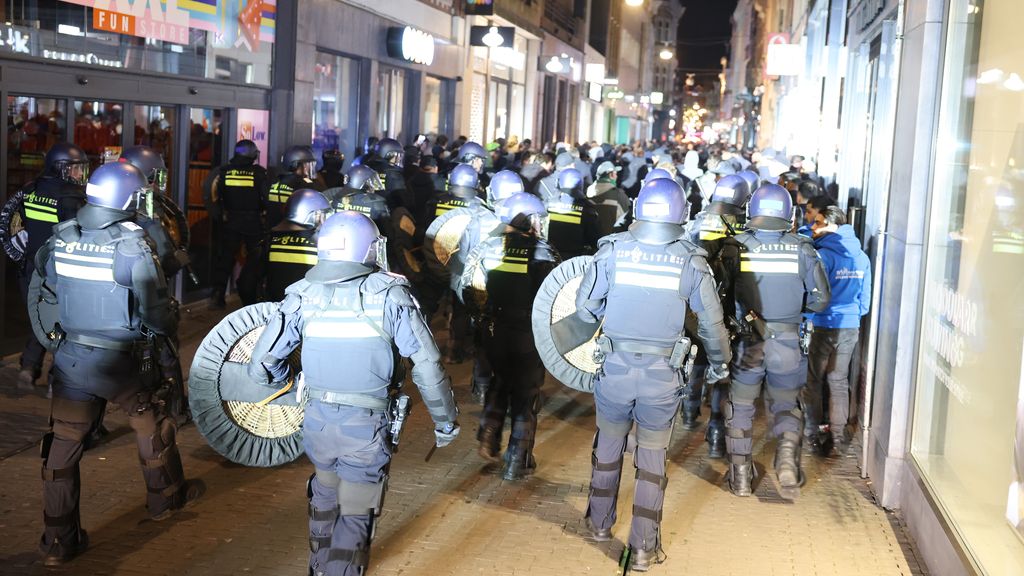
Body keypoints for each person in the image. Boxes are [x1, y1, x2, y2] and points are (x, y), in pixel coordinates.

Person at [249, 211, 460, 576]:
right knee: (355, 516)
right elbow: (427, 365)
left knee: (325, 497)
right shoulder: (391, 296)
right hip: (365, 430)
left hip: (316, 424)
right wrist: (445, 422)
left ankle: (318, 568)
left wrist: (289, 382)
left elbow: (261, 365)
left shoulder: (302, 295)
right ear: (367, 249)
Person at [33, 162, 204, 566]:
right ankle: (165, 499)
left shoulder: (63, 237)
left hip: (72, 358)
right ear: (126, 198)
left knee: (63, 447)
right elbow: (156, 311)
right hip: (123, 361)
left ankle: (59, 543)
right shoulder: (131, 244)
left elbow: (45, 290)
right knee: (151, 424)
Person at [575, 176, 731, 571]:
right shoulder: (692, 260)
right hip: (663, 377)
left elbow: (585, 307)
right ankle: (643, 548)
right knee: (652, 460)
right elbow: (712, 325)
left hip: (615, 370)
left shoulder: (613, 251)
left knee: (608, 449)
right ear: (682, 212)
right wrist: (719, 363)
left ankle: (598, 524)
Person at [720, 183, 831, 498]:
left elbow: (722, 298)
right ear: (789, 214)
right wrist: (795, 309)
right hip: (787, 342)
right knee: (786, 405)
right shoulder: (803, 249)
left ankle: (740, 476)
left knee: (740, 408)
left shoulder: (735, 246)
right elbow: (821, 300)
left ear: (752, 210)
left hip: (747, 344)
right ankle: (786, 464)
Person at [462, 192, 560, 480]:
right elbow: (558, 296)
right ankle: (517, 460)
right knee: (525, 394)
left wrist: (482, 321)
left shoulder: (488, 247)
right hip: (528, 334)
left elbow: (469, 287)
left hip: (494, 330)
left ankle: (489, 434)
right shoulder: (543, 251)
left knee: (499, 380)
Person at [680, 174, 751, 458]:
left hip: (693, 313)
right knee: (722, 372)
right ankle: (716, 435)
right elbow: (740, 283)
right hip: (723, 314)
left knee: (695, 362)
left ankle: (688, 410)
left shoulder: (695, 225)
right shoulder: (736, 234)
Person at [119, 145, 191, 422]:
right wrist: (177, 259)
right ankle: (177, 412)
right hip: (149, 299)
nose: (157, 183)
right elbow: (161, 263)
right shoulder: (148, 217)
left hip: (117, 304)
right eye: (154, 176)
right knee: (167, 354)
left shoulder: (111, 210)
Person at [16, 142, 89, 388]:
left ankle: (28, 367)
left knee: (38, 320)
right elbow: (77, 236)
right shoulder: (72, 197)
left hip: (30, 267)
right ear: (61, 168)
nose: (79, 174)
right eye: (75, 169)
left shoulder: (30, 190)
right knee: (62, 324)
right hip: (59, 271)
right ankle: (56, 378)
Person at [802, 205, 871, 456]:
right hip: (850, 325)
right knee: (839, 380)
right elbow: (865, 300)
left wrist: (808, 318)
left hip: (823, 325)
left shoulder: (824, 256)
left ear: (833, 225)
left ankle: (813, 432)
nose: (813, 227)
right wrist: (851, 314)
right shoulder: (861, 256)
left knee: (814, 380)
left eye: (818, 223)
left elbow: (815, 293)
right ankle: (839, 436)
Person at [205, 139, 269, 308]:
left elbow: (213, 197)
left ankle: (217, 295)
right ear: (252, 155)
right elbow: (266, 199)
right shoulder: (260, 173)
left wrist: (221, 216)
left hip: (231, 222)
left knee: (225, 259)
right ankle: (251, 295)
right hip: (253, 223)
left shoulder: (224, 172)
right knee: (255, 259)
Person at [260, 189, 330, 302]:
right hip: (310, 311)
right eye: (323, 215)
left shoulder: (269, 241)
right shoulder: (323, 246)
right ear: (312, 215)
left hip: (276, 312)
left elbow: (246, 283)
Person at [544, 168, 600, 259]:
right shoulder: (587, 209)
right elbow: (594, 240)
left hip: (550, 257)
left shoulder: (548, 204)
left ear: (558, 183)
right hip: (574, 260)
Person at [324, 165, 391, 232]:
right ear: (360, 180)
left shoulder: (331, 196)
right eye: (370, 182)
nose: (372, 187)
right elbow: (386, 231)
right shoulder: (376, 202)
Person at [268, 145, 320, 228]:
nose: (308, 168)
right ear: (295, 164)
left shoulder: (272, 181)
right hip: (294, 229)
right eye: (306, 165)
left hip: (272, 229)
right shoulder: (306, 184)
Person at [586, 160, 630, 237]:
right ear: (611, 175)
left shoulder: (587, 192)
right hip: (611, 241)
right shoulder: (619, 195)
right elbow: (627, 218)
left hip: (591, 240)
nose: (617, 176)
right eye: (615, 174)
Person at [366, 138, 410, 210]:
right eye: (396, 156)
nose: (398, 159)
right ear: (389, 154)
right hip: (385, 214)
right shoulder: (394, 175)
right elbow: (404, 200)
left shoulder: (366, 167)